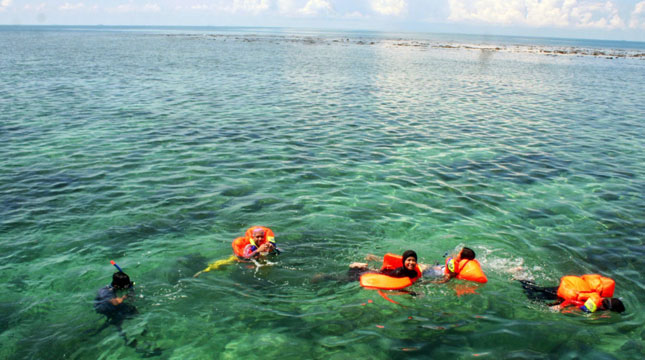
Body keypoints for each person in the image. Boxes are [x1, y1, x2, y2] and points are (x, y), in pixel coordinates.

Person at [519, 274, 625, 313]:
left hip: (568, 289)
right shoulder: (594, 304)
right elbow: (571, 301)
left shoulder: (599, 298)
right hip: (563, 293)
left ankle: (526, 279)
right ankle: (521, 277)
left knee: (538, 290)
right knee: (532, 296)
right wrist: (560, 307)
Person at [348, 250, 420, 281]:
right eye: (409, 260)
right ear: (404, 261)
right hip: (383, 274)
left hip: (388, 271)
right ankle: (356, 266)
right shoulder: (399, 273)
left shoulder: (414, 272)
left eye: (413, 260)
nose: (411, 262)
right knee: (353, 277)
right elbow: (393, 285)